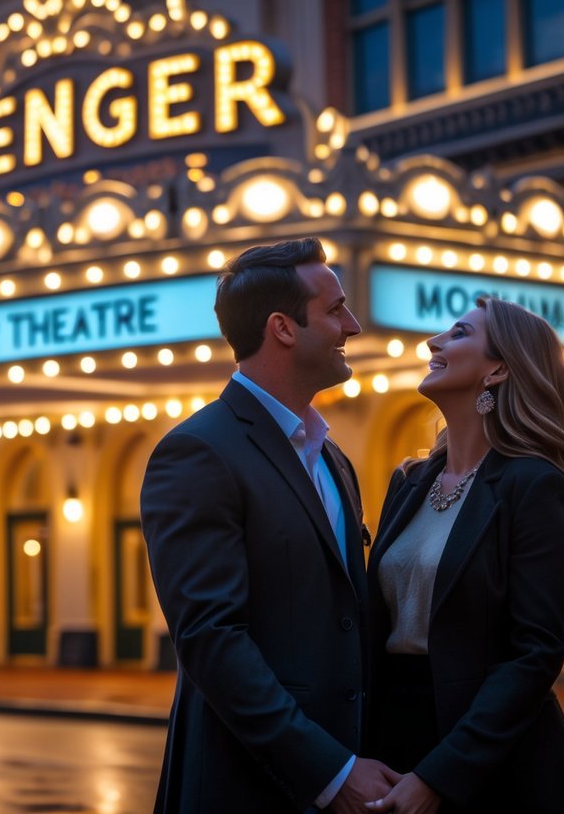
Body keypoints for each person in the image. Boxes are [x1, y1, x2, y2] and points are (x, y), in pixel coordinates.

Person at [140, 238, 399, 813]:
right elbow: (213, 641)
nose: (352, 325)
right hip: (244, 788)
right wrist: (331, 773)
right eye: (335, 310)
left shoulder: (334, 460)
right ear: (283, 328)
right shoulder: (197, 453)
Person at [364, 296, 564, 813]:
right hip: (395, 738)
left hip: (495, 760)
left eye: (459, 333)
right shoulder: (409, 482)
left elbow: (534, 654)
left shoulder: (534, 485)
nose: (434, 342)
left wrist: (441, 775)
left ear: (498, 369)